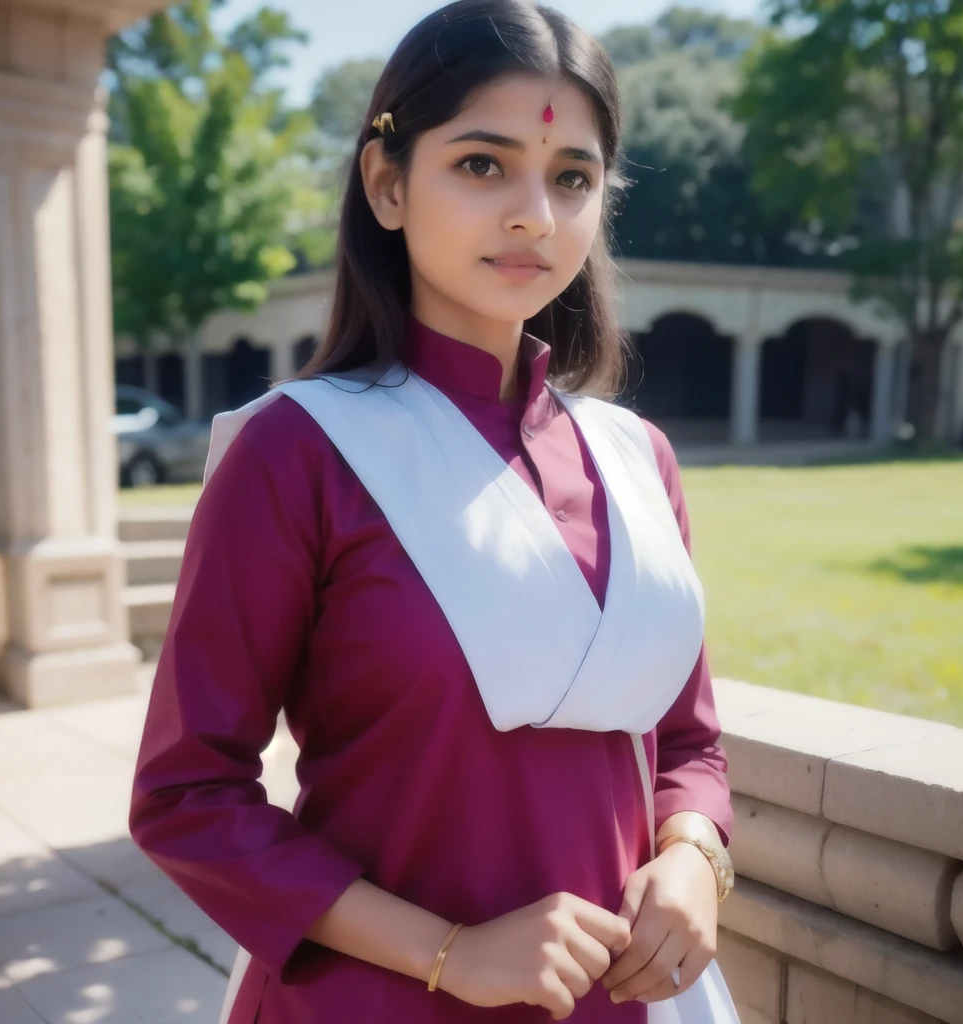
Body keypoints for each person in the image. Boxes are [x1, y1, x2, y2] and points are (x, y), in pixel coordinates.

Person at [128, 2, 737, 1021]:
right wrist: (450, 951)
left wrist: (690, 855)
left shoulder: (639, 460)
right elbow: (186, 796)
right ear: (386, 183)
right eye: (483, 164)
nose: (534, 215)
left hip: (630, 996)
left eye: (572, 178)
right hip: (381, 996)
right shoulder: (298, 451)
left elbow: (687, 744)